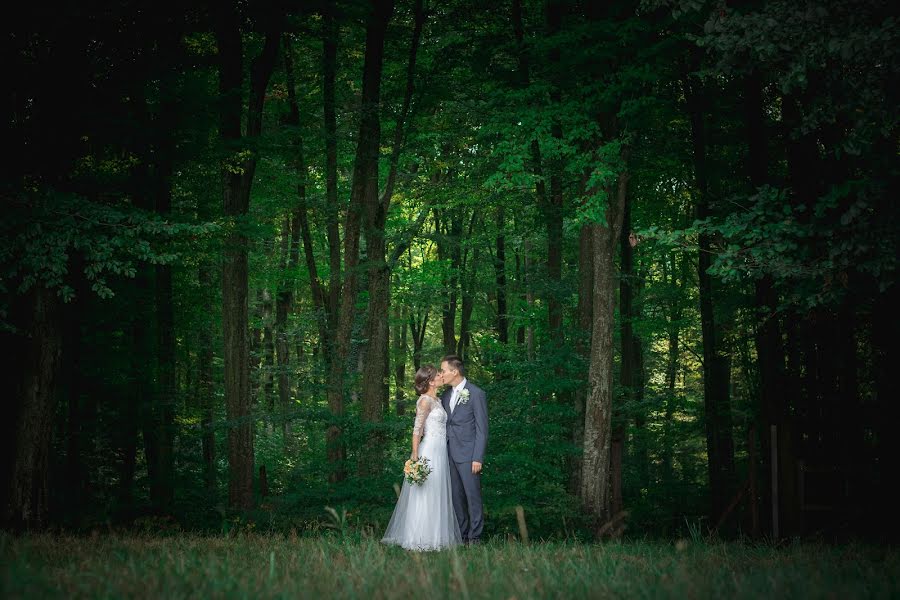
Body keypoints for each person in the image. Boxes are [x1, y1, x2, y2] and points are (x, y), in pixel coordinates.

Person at [381, 365, 462, 551]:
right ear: (431, 381)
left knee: (437, 492)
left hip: (441, 450)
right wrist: (415, 457)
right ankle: (418, 537)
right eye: (438, 374)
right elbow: (417, 431)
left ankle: (437, 536)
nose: (441, 376)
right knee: (425, 493)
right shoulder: (425, 401)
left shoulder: (438, 400)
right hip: (429, 451)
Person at [439, 354, 488, 545]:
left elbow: (482, 430)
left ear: (455, 371)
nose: (441, 374)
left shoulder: (476, 394)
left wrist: (478, 457)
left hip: (469, 455)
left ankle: (475, 537)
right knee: (456, 498)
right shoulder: (445, 395)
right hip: (448, 454)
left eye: (443, 370)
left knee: (472, 496)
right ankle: (462, 535)